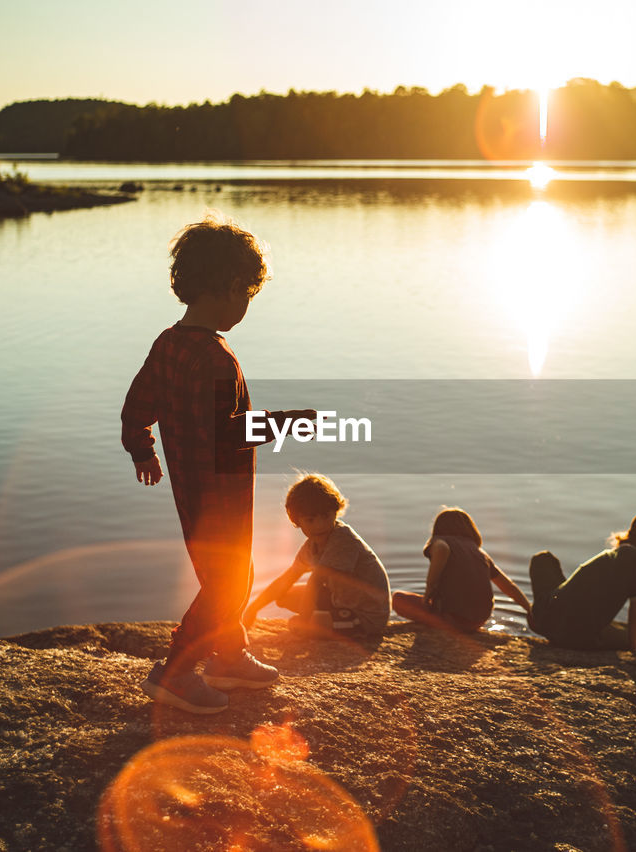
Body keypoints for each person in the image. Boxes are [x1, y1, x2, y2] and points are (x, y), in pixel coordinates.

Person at [121, 214, 315, 714]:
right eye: (248, 293)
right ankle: (176, 672)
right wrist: (289, 422)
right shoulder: (217, 360)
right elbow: (228, 432)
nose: (248, 304)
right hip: (222, 497)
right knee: (226, 583)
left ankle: (229, 656)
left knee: (232, 577)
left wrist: (143, 448)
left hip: (191, 493)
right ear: (232, 288)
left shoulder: (167, 343)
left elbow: (136, 407)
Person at [243, 473, 390, 638]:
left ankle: (321, 622)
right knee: (285, 596)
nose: (320, 526)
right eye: (310, 520)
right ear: (297, 521)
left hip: (366, 615)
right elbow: (286, 579)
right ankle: (321, 618)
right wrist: (253, 608)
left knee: (303, 625)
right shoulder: (311, 547)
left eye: (326, 516)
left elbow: (316, 579)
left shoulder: (342, 540)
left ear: (335, 512)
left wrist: (304, 620)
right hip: (341, 601)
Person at [527, 512, 636, 653]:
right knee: (627, 633)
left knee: (543, 559)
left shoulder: (616, 554)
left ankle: (540, 614)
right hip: (573, 637)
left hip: (545, 618)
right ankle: (574, 632)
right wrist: (634, 651)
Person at [392, 507, 531, 633]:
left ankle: (439, 623)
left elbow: (442, 548)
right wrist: (529, 609)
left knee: (397, 598)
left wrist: (429, 590)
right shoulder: (480, 553)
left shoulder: (439, 540)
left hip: (452, 619)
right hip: (479, 620)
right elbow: (509, 587)